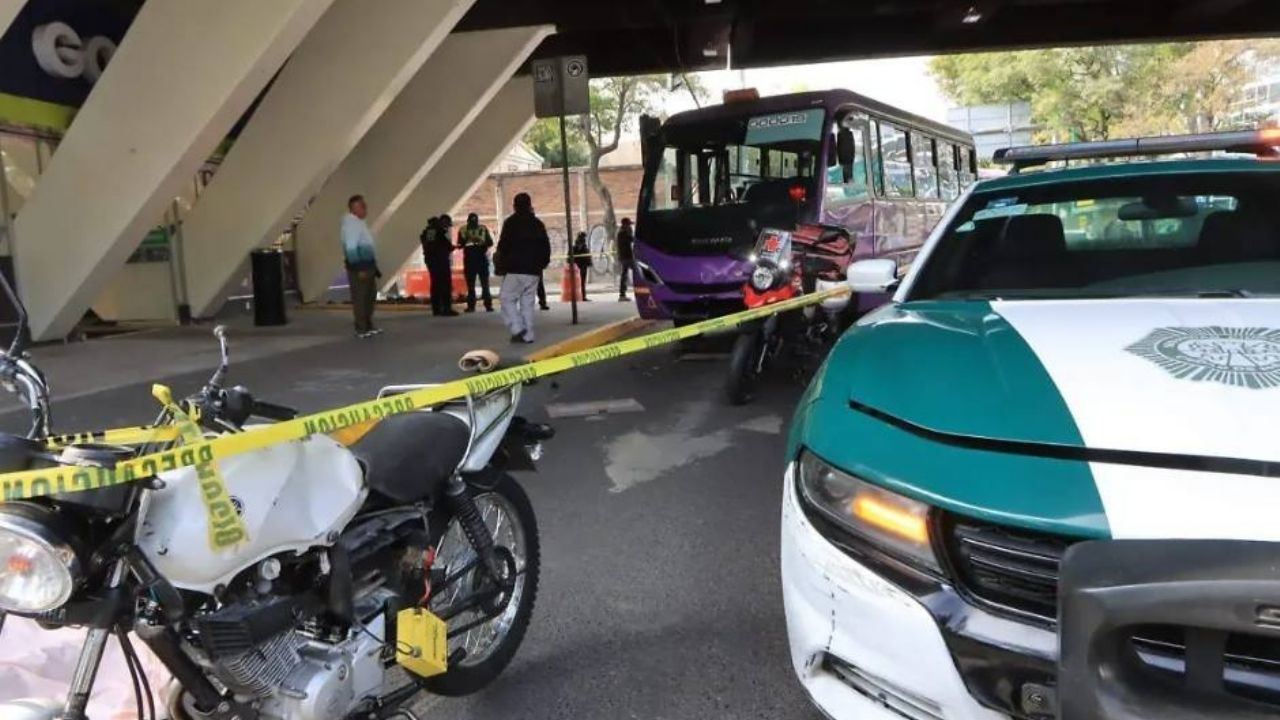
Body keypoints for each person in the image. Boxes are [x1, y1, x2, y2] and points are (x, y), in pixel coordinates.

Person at [496, 193, 551, 343]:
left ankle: (517, 328)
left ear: (515, 206)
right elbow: (546, 246)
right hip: (534, 271)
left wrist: (502, 263)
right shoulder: (537, 223)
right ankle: (528, 335)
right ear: (529, 205)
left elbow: (503, 246)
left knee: (506, 298)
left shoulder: (510, 223)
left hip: (515, 269)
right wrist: (542, 264)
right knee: (528, 303)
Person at [340, 194, 382, 337]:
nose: (366, 208)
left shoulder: (359, 222)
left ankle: (368, 324)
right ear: (354, 208)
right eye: (362, 206)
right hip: (360, 268)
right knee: (360, 298)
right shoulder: (351, 224)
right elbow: (351, 248)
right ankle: (361, 328)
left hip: (368, 266)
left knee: (369, 297)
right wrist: (359, 269)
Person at [457, 212, 495, 312]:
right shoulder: (464, 229)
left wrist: (479, 241)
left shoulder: (481, 229)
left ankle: (484, 305)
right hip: (474, 259)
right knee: (472, 285)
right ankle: (477, 306)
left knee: (482, 284)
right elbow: (460, 244)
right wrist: (469, 240)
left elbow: (490, 243)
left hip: (477, 259)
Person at [421, 214, 458, 317]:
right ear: (443, 222)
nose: (446, 227)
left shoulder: (431, 231)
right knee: (444, 284)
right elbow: (435, 246)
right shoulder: (435, 231)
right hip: (438, 261)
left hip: (433, 261)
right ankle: (446, 309)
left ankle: (437, 309)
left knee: (436, 284)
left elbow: (431, 245)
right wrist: (450, 248)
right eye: (446, 225)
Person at [617, 217, 636, 301]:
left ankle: (622, 294)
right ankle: (622, 294)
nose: (630, 227)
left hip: (624, 257)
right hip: (626, 257)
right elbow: (632, 239)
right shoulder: (623, 233)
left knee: (624, 275)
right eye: (629, 225)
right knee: (638, 272)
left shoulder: (622, 232)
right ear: (625, 225)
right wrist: (630, 232)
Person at [571, 231, 592, 301]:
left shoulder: (583, 246)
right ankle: (579, 296)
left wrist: (589, 263)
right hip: (578, 266)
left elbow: (587, 255)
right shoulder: (576, 247)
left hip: (582, 266)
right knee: (579, 282)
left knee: (582, 282)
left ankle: (582, 296)